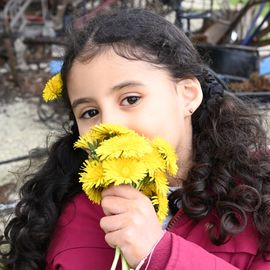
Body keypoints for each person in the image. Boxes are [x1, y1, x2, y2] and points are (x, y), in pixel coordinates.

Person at [1, 8, 270, 270]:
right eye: (89, 112)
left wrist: (159, 254)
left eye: (131, 99)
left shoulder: (257, 202)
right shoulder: (63, 214)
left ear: (187, 95)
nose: (108, 125)